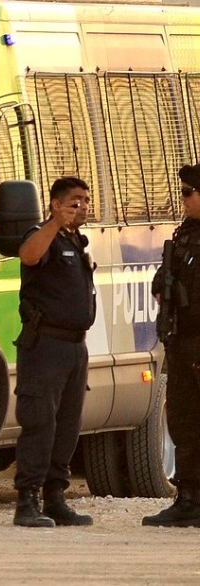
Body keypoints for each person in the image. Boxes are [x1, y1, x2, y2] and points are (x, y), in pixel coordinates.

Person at [12, 177, 95, 528]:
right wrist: (53, 223)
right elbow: (28, 256)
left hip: (75, 347)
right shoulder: (42, 234)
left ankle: (55, 496)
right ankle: (27, 500)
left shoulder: (77, 242)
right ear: (55, 204)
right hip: (45, 346)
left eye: (86, 201)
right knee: (40, 423)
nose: (83, 206)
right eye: (75, 200)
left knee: (67, 426)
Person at [142, 164, 200, 527]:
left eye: (187, 192)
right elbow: (165, 279)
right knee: (183, 421)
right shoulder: (184, 235)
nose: (182, 200)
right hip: (182, 343)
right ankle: (189, 498)